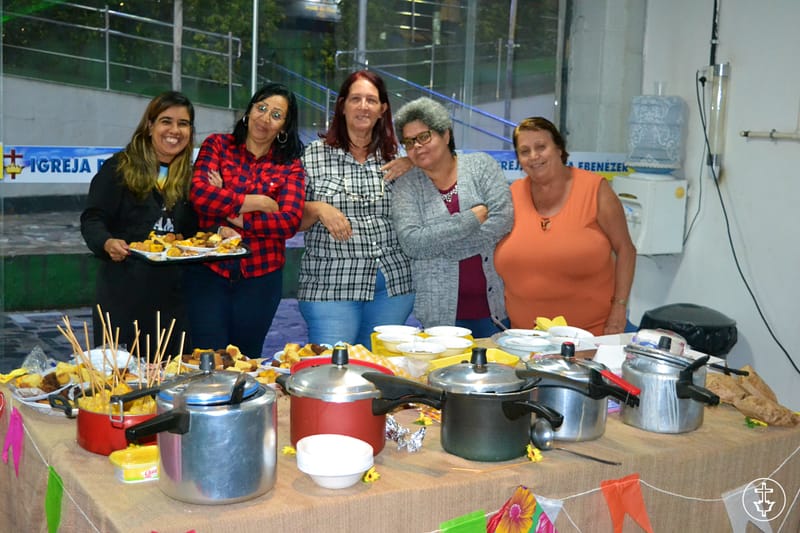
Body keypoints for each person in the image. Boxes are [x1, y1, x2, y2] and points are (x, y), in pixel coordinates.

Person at [186, 83, 306, 358]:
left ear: (284, 127)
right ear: (249, 111)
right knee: (207, 359)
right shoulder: (217, 145)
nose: (265, 118)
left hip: (261, 279)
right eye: (261, 108)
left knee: (246, 361)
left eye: (276, 115)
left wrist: (230, 210)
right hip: (209, 272)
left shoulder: (290, 166)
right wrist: (260, 202)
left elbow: (288, 222)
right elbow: (199, 195)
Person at [298, 70, 414, 347]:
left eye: (371, 100)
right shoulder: (312, 155)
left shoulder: (398, 159)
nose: (363, 106)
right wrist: (317, 208)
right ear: (342, 105)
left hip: (393, 287)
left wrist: (416, 163)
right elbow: (290, 219)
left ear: (382, 109)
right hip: (330, 287)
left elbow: (444, 169)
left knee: (378, 369)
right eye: (356, 99)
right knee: (330, 366)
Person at [81, 91, 197, 358]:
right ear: (150, 125)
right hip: (122, 298)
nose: (175, 130)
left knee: (170, 376)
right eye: (166, 121)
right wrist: (106, 242)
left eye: (183, 124)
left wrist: (220, 231)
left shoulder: (190, 177)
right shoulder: (119, 168)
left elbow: (195, 232)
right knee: (122, 375)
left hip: (172, 302)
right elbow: (93, 218)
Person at [494, 117, 636, 335]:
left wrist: (619, 308)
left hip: (590, 337)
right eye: (525, 151)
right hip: (523, 339)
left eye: (541, 147)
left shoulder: (595, 190)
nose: (534, 156)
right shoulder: (510, 196)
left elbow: (626, 249)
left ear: (559, 149)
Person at [391, 97, 513, 338]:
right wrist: (470, 219)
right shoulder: (406, 185)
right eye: (409, 142)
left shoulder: (481, 166)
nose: (417, 146)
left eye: (424, 136)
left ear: (446, 134)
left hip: (494, 310)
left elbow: (502, 219)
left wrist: (438, 248)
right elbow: (412, 243)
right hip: (438, 314)